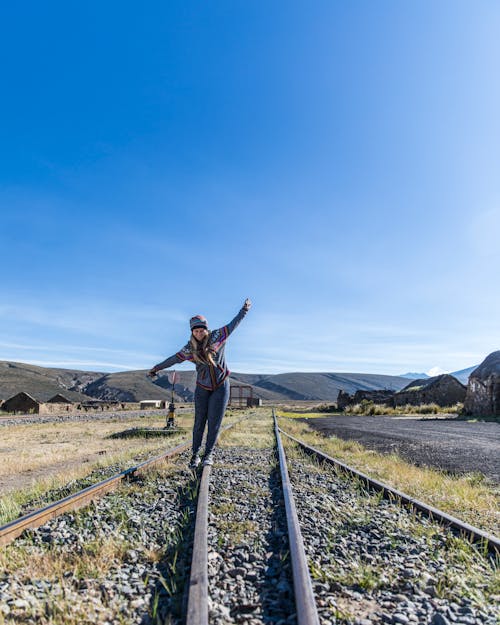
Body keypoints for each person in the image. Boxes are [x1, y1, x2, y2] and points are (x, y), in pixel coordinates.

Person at [147, 298, 252, 468]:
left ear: (206, 329)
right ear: (192, 331)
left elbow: (234, 324)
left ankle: (208, 454)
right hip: (202, 389)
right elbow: (174, 359)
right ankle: (195, 455)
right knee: (199, 423)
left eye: (201, 329)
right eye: (195, 330)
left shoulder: (218, 336)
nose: (199, 333)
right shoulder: (190, 348)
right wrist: (157, 368)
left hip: (221, 386)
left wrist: (244, 310)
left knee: (214, 422)